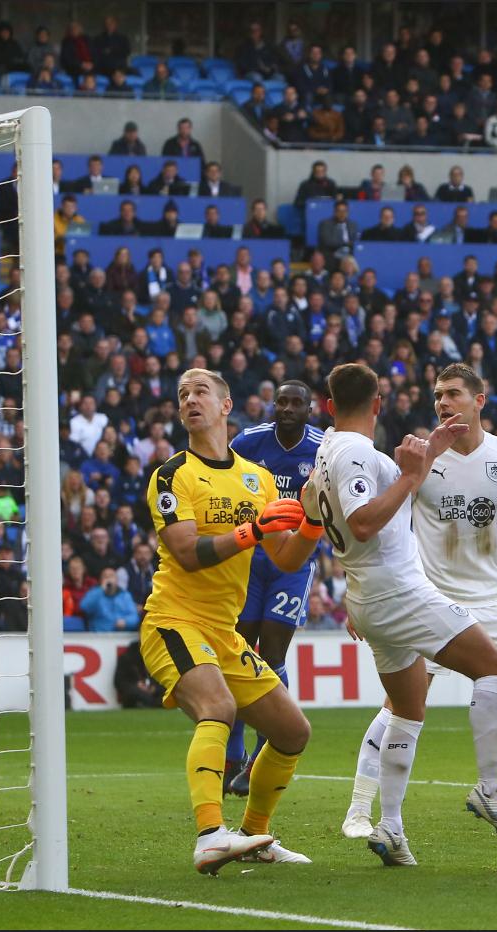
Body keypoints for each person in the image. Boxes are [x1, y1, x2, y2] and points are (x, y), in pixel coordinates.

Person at [304, 363, 497, 866]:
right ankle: (491, 789)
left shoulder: (328, 449)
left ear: (329, 406)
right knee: (496, 670)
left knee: (407, 710)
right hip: (398, 593)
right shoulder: (357, 451)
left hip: (368, 595)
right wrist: (412, 474)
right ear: (378, 403)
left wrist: (430, 450)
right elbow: (362, 522)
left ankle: (391, 826)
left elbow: (313, 508)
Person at [342, 364, 497, 836]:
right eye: (438, 395)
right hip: (426, 598)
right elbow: (378, 526)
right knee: (399, 707)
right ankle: (359, 808)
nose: (443, 403)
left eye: (453, 393)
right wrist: (364, 590)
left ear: (480, 400)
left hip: (494, 601)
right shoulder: (420, 458)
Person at [138, 367, 324, 873]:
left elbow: (286, 558)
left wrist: (312, 521)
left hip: (222, 630)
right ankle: (208, 835)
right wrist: (250, 531)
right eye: (182, 394)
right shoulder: (172, 473)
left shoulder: (256, 478)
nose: (190, 399)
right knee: (217, 706)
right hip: (174, 621)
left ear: (225, 406)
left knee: (292, 731)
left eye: (201, 391)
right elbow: (187, 551)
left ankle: (256, 835)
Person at [225, 382, 323, 793]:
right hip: (251, 558)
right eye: (281, 402)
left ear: (309, 409)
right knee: (240, 651)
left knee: (273, 653)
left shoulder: (322, 448)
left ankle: (265, 752)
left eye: (295, 403)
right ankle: (233, 755)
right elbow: (224, 481)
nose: (286, 408)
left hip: (293, 564)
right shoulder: (249, 442)